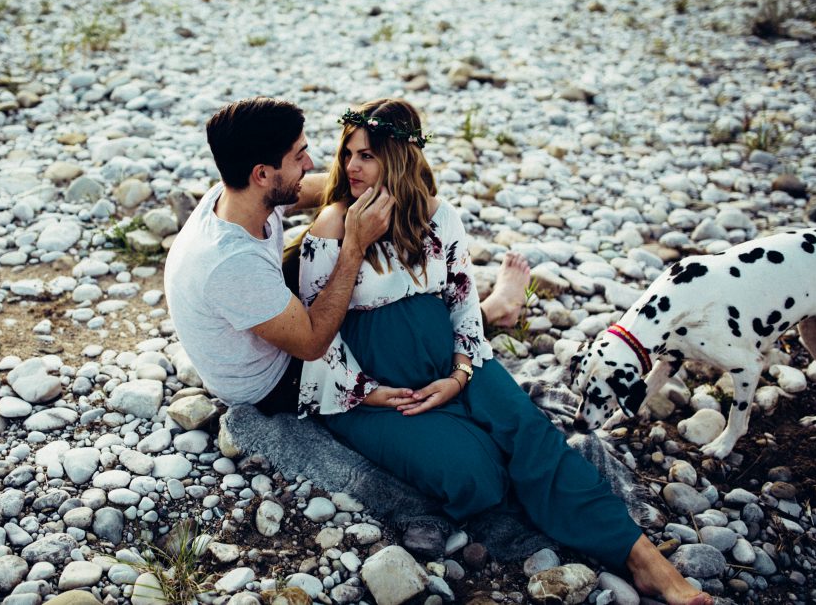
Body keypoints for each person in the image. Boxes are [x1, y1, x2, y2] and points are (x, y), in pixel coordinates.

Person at [296, 98, 712, 605]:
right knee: (477, 480)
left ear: (401, 160)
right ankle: (516, 474)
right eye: (349, 155)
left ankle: (642, 557)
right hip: (373, 394)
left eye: (368, 156)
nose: (351, 167)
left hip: (452, 366)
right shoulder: (333, 225)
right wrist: (372, 392)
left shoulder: (436, 217)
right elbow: (320, 336)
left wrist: (461, 372)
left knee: (534, 438)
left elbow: (463, 304)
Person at [164, 97, 394, 417]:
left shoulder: (236, 194)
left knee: (345, 222)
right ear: (262, 174)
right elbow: (312, 346)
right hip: (270, 385)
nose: (310, 163)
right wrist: (355, 245)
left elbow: (312, 188)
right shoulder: (232, 262)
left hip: (259, 313)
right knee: (390, 330)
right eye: (299, 156)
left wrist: (367, 180)